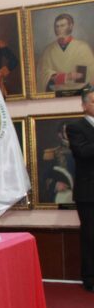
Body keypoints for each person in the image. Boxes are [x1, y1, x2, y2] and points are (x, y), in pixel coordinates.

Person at [65, 87, 94, 293]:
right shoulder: (76, 127)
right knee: (90, 236)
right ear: (84, 105)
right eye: (93, 101)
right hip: (88, 192)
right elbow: (82, 152)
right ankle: (90, 278)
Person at [37, 13, 94, 92]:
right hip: (55, 94)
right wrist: (66, 77)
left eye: (62, 25)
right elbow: (43, 76)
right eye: (57, 26)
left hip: (78, 94)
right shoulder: (48, 50)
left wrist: (58, 78)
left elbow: (83, 77)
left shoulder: (83, 48)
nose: (59, 29)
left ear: (70, 26)